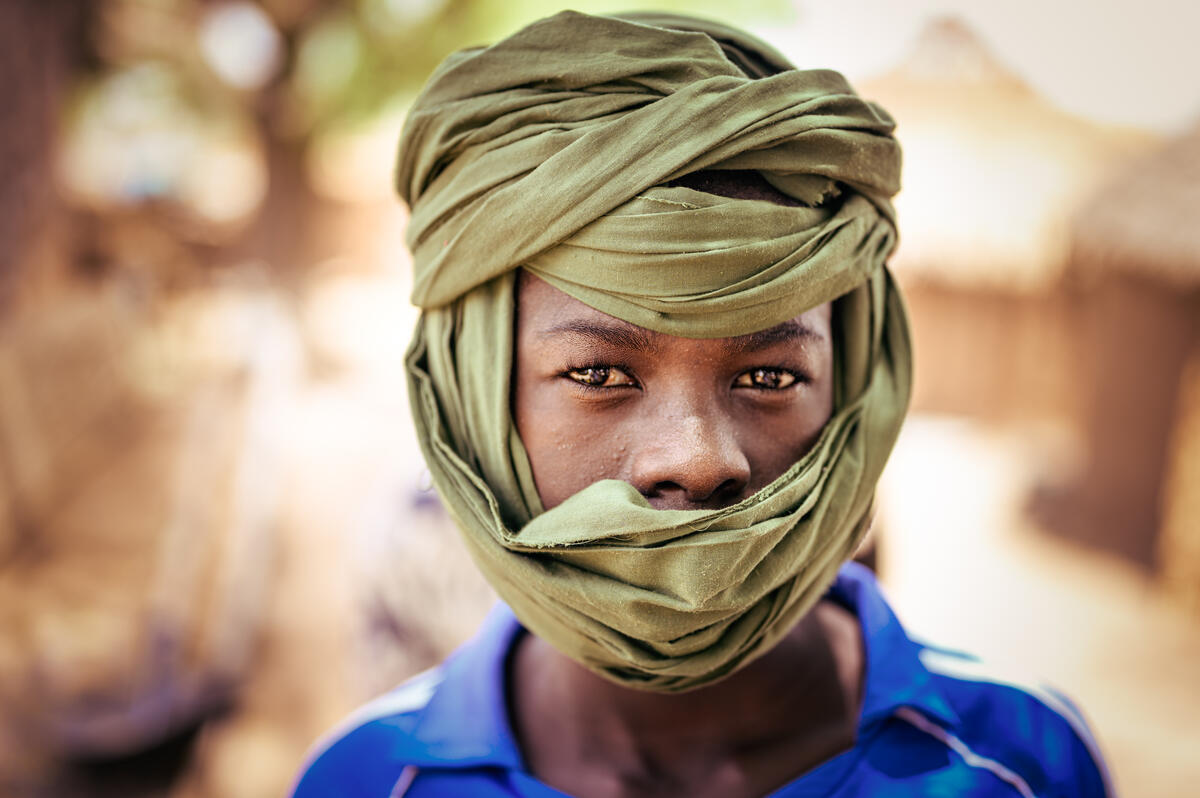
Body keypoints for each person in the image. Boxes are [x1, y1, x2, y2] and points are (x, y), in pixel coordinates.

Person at [290, 11, 1112, 797]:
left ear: (855, 388)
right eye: (598, 375)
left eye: (769, 377)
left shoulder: (1022, 764)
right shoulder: (366, 781)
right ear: (473, 399)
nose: (698, 459)